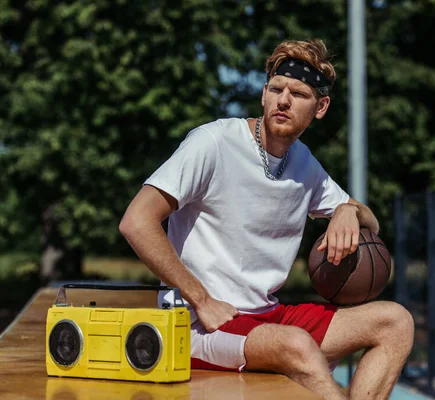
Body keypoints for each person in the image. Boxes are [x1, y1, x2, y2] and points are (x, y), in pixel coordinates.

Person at [120, 38, 414, 400]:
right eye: (276, 89)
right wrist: (201, 300)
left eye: (298, 94)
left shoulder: (304, 163)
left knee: (396, 322)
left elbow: (371, 220)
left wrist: (347, 210)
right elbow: (136, 221)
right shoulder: (212, 142)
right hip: (199, 323)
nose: (284, 100)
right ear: (263, 95)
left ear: (320, 107)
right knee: (297, 345)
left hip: (268, 318)